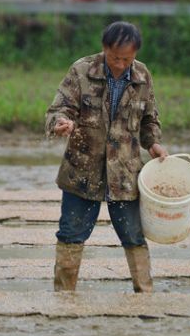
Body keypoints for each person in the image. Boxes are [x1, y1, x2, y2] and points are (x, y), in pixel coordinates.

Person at [44, 21, 168, 293]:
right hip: (82, 171)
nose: (120, 64)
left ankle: (145, 294)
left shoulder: (142, 76)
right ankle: (64, 296)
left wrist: (154, 144)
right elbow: (58, 108)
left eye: (127, 58)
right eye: (115, 57)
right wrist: (62, 123)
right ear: (104, 49)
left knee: (134, 236)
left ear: (135, 53)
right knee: (71, 235)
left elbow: (149, 120)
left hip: (125, 174)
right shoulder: (82, 71)